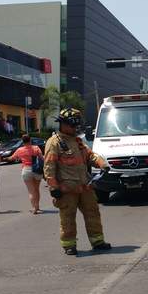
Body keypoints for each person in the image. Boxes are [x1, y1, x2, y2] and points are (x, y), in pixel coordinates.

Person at [44, 108, 111, 255]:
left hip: (85, 186)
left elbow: (90, 155)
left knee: (93, 213)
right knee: (67, 218)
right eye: (72, 125)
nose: (75, 128)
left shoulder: (78, 141)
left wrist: (102, 163)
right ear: (62, 124)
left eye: (76, 125)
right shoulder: (54, 142)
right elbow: (49, 167)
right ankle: (69, 245)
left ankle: (98, 241)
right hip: (67, 190)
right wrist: (53, 188)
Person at [7, 134, 44, 214]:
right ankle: (37, 207)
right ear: (30, 140)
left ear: (22, 141)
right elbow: (42, 158)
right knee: (36, 189)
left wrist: (3, 158)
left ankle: (34, 208)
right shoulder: (36, 148)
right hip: (37, 170)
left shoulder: (20, 150)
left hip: (26, 170)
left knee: (31, 191)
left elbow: (12, 158)